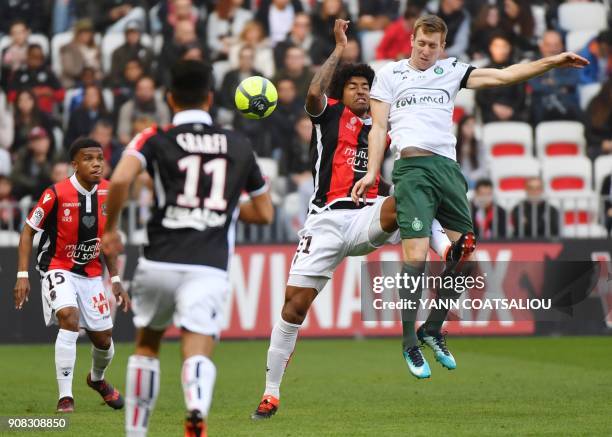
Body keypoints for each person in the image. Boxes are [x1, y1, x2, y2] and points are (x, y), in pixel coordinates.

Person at [352, 14, 587, 378]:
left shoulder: (452, 71)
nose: (426, 50)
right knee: (414, 256)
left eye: (433, 45)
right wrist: (371, 172)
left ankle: (432, 327)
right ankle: (408, 342)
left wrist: (552, 61)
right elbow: (379, 128)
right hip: (412, 168)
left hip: (448, 169)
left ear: (442, 47)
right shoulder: (389, 74)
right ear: (411, 40)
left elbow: (505, 74)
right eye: (421, 43)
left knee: (466, 255)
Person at [251, 19, 461, 420]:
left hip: (367, 215)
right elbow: (314, 91)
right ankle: (271, 392)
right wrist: (339, 47)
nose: (363, 91)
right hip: (325, 221)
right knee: (293, 307)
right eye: (354, 87)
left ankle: (447, 246)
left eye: (367, 87)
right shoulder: (328, 115)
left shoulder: (386, 123)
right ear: (342, 93)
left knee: (407, 197)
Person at [101, 60, 274, 437]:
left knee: (147, 344)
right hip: (208, 265)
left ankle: (136, 431)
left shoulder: (154, 137)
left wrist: (111, 229)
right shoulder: (238, 144)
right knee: (197, 346)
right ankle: (196, 405)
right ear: (210, 98)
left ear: (169, 97)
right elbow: (264, 212)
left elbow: (119, 180)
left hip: (158, 260)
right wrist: (221, 206)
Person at [12, 138, 130, 413]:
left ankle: (97, 380)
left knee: (105, 341)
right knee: (69, 317)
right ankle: (65, 397)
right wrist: (22, 274)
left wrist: (114, 280)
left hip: (90, 275)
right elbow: (28, 230)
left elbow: (109, 240)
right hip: (57, 267)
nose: (96, 163)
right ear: (74, 164)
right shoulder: (56, 193)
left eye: (99, 158)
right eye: (88, 158)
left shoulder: (109, 193)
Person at [528, 30, 580, 125]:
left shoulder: (570, 62)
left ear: (562, 46)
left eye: (556, 45)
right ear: (542, 46)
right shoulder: (532, 63)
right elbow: (536, 86)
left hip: (566, 105)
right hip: (541, 105)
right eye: (549, 45)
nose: (553, 49)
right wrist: (561, 88)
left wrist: (553, 81)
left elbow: (573, 80)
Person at [476, 32, 527, 124]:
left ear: (509, 48)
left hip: (514, 112)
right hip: (490, 112)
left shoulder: (517, 70)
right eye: (497, 46)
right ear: (490, 48)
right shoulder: (483, 71)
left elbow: (521, 97)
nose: (501, 50)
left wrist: (511, 110)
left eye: (504, 46)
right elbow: (480, 97)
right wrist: (493, 107)